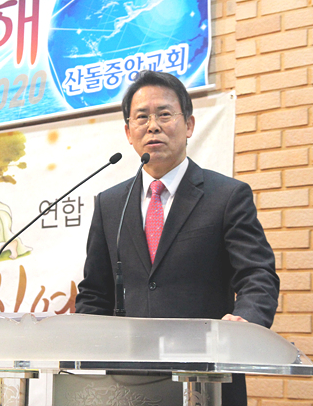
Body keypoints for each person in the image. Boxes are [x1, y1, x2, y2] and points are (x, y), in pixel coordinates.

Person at [75, 71, 280, 405]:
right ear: (128, 132)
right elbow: (95, 292)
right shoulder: (110, 204)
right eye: (141, 117)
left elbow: (258, 275)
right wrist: (84, 341)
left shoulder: (227, 196)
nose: (152, 126)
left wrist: (245, 322)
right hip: (127, 384)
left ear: (189, 125)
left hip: (206, 378)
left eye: (164, 114)